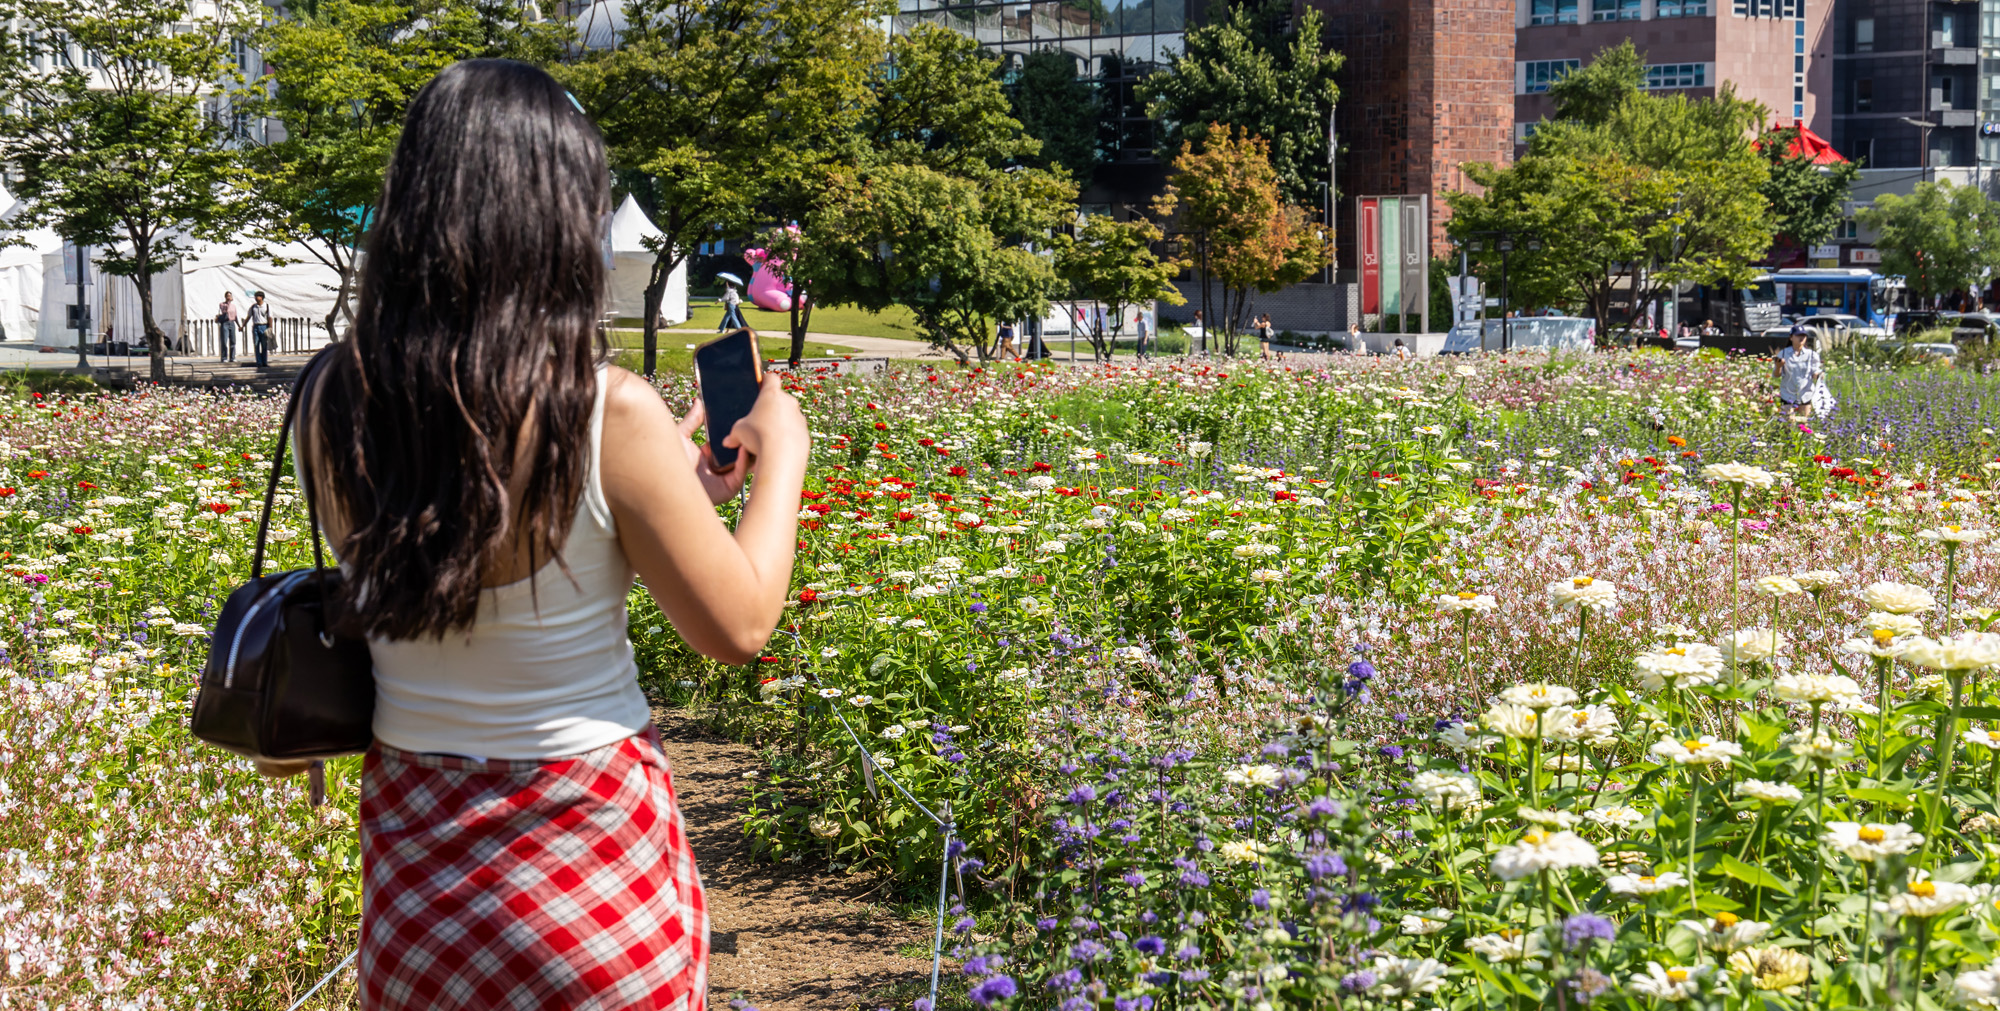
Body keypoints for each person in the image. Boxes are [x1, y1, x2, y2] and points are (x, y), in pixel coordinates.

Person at [262, 60, 810, 1011]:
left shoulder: (328, 399)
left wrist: (663, 495)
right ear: (556, 219)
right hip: (587, 864)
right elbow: (741, 623)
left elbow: (447, 530)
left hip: (417, 884)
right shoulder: (607, 411)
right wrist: (784, 453)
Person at [1774, 327, 1828, 418]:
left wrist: (1820, 375)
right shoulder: (1783, 354)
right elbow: (1776, 375)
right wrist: (1779, 366)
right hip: (1788, 393)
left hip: (1805, 393)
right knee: (1788, 422)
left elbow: (1814, 373)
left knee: (1804, 421)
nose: (1801, 338)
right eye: (1798, 335)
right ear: (1791, 338)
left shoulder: (1812, 354)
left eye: (1803, 336)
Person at [246, 290, 272, 367]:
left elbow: (270, 317)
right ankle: (259, 362)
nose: (256, 298)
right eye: (255, 296)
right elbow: (248, 317)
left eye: (257, 296)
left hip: (264, 326)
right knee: (256, 344)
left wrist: (270, 327)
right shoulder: (253, 307)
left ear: (261, 297)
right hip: (256, 326)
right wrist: (243, 325)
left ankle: (264, 361)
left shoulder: (267, 306)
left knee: (264, 345)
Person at [216, 292, 239, 362]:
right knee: (224, 341)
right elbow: (225, 311)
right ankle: (224, 357)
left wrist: (239, 325)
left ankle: (232, 357)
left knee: (233, 341)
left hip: (232, 322)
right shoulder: (222, 304)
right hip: (225, 322)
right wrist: (228, 303)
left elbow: (235, 316)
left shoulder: (234, 306)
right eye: (227, 296)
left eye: (230, 296)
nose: (229, 297)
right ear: (225, 297)